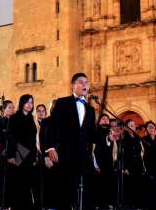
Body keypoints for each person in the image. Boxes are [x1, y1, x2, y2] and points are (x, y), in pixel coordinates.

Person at [45, 72, 110, 210]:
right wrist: (50, 148)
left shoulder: (91, 110)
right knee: (65, 193)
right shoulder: (63, 102)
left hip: (83, 156)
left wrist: (107, 137)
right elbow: (52, 127)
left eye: (86, 83)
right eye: (81, 82)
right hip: (65, 154)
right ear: (73, 86)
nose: (84, 85)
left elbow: (91, 134)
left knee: (86, 192)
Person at [5, 94, 39, 209]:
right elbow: (11, 137)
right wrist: (10, 155)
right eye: (27, 102)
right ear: (22, 103)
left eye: (32, 102)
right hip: (19, 152)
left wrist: (34, 154)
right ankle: (17, 205)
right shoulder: (14, 117)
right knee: (18, 181)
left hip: (30, 154)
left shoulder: (31, 118)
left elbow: (33, 137)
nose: (30, 105)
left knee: (27, 181)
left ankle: (27, 205)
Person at [94, 114, 118, 210]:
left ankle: (107, 204)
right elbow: (93, 148)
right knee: (98, 185)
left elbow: (114, 148)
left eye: (107, 119)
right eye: (103, 119)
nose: (105, 120)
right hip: (98, 162)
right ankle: (97, 204)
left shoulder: (111, 132)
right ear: (99, 121)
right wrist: (95, 164)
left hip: (108, 163)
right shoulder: (96, 132)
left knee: (108, 185)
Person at [121, 119, 144, 208]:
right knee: (129, 187)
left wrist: (141, 166)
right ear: (126, 127)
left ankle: (136, 204)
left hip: (137, 165)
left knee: (137, 187)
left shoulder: (137, 137)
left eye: (134, 125)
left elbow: (140, 152)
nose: (133, 126)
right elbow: (123, 153)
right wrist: (125, 167)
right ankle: (128, 205)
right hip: (128, 166)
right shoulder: (124, 137)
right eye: (130, 125)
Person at [0, 99, 15, 208]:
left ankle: (11, 202)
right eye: (10, 107)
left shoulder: (14, 121)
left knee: (12, 179)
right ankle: (2, 203)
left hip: (14, 153)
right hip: (4, 152)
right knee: (2, 178)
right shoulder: (0, 121)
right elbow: (1, 138)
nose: (12, 109)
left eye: (13, 107)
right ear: (4, 109)